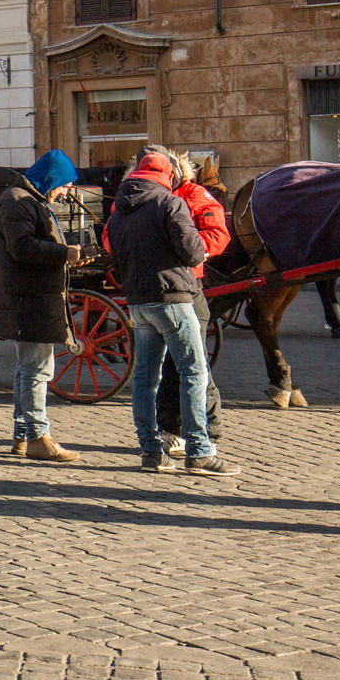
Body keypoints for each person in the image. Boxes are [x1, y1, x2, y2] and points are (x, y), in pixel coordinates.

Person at [106, 150, 238, 476]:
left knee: (145, 378)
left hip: (137, 299)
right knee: (194, 371)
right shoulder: (170, 202)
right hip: (175, 296)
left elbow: (112, 246)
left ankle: (151, 451)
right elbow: (194, 250)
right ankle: (200, 450)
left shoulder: (120, 209)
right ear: (170, 175)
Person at [0, 150, 86, 463]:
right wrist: (65, 254)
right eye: (65, 184)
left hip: (33, 294)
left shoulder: (27, 199)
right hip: (29, 296)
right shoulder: (18, 200)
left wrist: (66, 252)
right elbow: (21, 247)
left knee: (29, 367)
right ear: (51, 178)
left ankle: (23, 435)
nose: (66, 191)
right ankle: (36, 435)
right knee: (37, 369)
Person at [155, 153, 230, 456]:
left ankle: (208, 431)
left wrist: (183, 253)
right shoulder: (153, 197)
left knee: (194, 362)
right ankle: (170, 428)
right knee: (166, 364)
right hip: (158, 287)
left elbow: (217, 236)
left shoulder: (195, 195)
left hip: (187, 287)